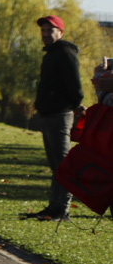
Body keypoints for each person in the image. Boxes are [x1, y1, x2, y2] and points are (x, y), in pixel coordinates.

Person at [25, 14, 84, 221]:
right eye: (43, 30)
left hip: (60, 114)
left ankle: (62, 210)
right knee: (55, 165)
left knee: (63, 164)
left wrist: (75, 104)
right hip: (48, 114)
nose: (45, 34)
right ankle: (53, 207)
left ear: (60, 32)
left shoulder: (65, 52)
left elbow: (74, 85)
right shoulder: (51, 54)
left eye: (50, 30)